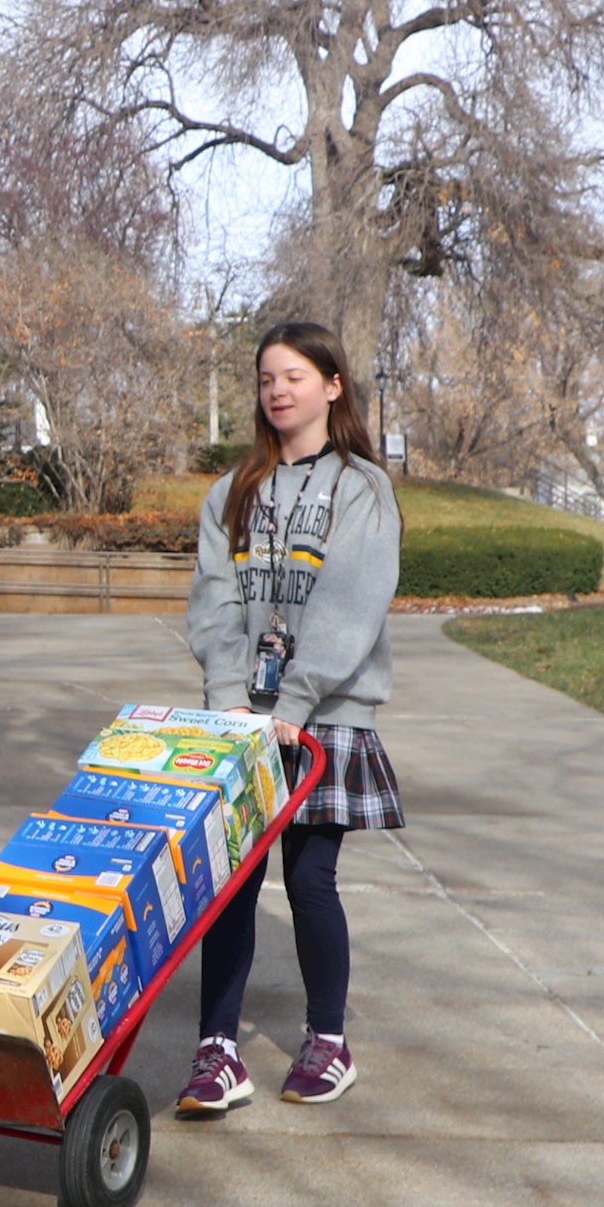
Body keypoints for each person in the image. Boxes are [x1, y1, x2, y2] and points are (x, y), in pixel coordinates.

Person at [177, 321, 405, 1114]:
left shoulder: (363, 489)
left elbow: (351, 606)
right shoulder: (234, 491)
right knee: (230, 886)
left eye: (294, 376)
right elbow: (215, 600)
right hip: (245, 718)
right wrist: (231, 697)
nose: (277, 390)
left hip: (326, 716)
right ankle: (217, 1055)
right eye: (267, 378)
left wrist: (298, 702)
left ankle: (328, 1040)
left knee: (309, 877)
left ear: (333, 385)